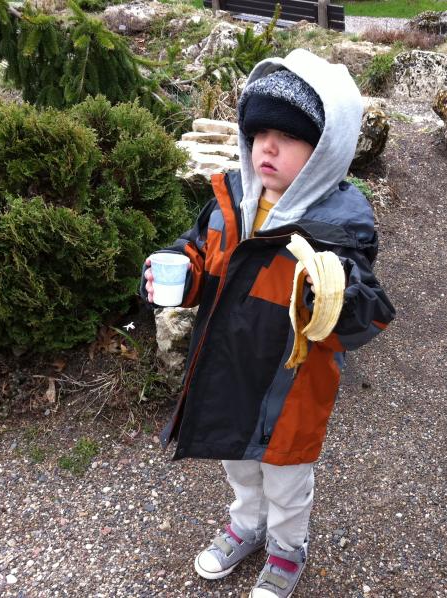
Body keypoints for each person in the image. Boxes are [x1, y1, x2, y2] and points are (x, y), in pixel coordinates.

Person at [140, 48, 395, 598]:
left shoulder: (338, 227)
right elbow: (196, 252)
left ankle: (286, 547)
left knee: (285, 478)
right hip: (228, 369)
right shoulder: (229, 201)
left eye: (288, 137)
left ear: (326, 150)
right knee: (238, 462)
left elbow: (367, 312)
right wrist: (177, 270)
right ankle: (247, 525)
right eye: (258, 134)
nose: (267, 148)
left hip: (291, 385)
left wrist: (335, 298)